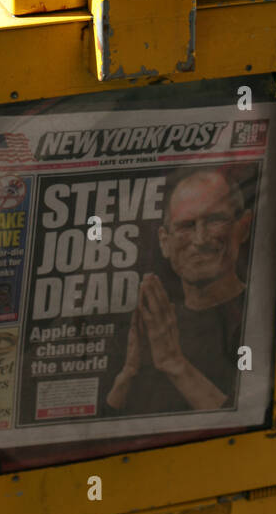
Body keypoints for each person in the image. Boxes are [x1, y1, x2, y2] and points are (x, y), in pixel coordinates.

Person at [106, 166, 252, 415]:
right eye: (186, 225)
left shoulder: (261, 315)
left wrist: (175, 364)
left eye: (215, 220)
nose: (200, 239)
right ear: (165, 242)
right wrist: (128, 375)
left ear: (244, 227)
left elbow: (251, 424)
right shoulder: (152, 325)